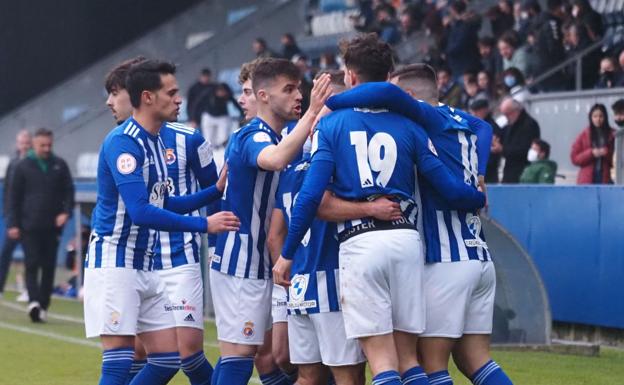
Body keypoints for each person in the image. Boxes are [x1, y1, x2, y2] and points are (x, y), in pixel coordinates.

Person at [274, 34, 485, 385]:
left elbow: (310, 198)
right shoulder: (410, 125)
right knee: (408, 360)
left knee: (382, 363)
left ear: (351, 77)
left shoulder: (331, 124)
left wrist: (287, 253)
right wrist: (478, 195)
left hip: (362, 244)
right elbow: (447, 186)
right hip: (406, 242)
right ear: (389, 75)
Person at [320, 63, 514, 385]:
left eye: (398, 95)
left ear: (409, 97)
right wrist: (479, 173)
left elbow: (380, 90)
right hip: (478, 256)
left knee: (427, 364)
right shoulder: (457, 118)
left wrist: (328, 105)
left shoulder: (426, 117)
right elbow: (485, 129)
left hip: (445, 260)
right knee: (474, 360)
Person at [84, 59, 239, 385]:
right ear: (148, 97)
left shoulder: (154, 141)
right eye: (171, 92)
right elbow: (140, 211)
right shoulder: (122, 142)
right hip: (116, 260)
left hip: (146, 262)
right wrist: (203, 226)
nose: (179, 99)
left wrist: (213, 192)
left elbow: (162, 202)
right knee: (118, 362)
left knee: (168, 358)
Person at [208, 58, 332, 385]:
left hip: (255, 263)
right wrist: (312, 113)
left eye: (299, 89)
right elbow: (275, 159)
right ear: (263, 96)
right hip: (240, 264)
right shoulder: (254, 136)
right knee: (240, 356)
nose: (298, 96)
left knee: (247, 354)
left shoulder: (273, 135)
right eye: (288, 89)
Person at [6, 128, 74, 323]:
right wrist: (13, 223)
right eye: (42, 145)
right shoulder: (23, 166)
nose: (46, 148)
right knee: (32, 263)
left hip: (52, 226)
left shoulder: (59, 165)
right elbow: (14, 197)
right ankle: (34, 302)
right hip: (29, 225)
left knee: (49, 267)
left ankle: (43, 304)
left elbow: (68, 191)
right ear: (34, 145)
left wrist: (65, 212)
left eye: (49, 145)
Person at [0, 129, 31, 298]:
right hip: (14, 219)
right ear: (17, 144)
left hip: (29, 219)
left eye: (27, 142)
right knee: (5, 254)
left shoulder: (35, 163)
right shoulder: (12, 163)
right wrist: (9, 218)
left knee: (30, 257)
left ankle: (28, 289)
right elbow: (8, 192)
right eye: (22, 142)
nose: (24, 146)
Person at [499, 97, 541, 183]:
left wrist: (503, 149)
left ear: (515, 111)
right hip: (510, 172)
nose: (506, 117)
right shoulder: (511, 124)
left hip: (523, 173)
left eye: (507, 114)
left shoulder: (529, 125)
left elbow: (524, 150)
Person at [571, 103, 615, 184]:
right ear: (591, 118)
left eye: (601, 116)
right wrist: (591, 153)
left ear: (605, 117)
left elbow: (617, 159)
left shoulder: (612, 134)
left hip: (606, 177)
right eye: (595, 116)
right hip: (587, 179)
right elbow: (574, 158)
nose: (598, 119)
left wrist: (606, 153)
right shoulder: (583, 135)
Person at [470, 99, 503, 183]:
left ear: (484, 110)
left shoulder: (491, 127)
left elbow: (494, 148)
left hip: (487, 169)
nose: (474, 114)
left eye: (476, 111)